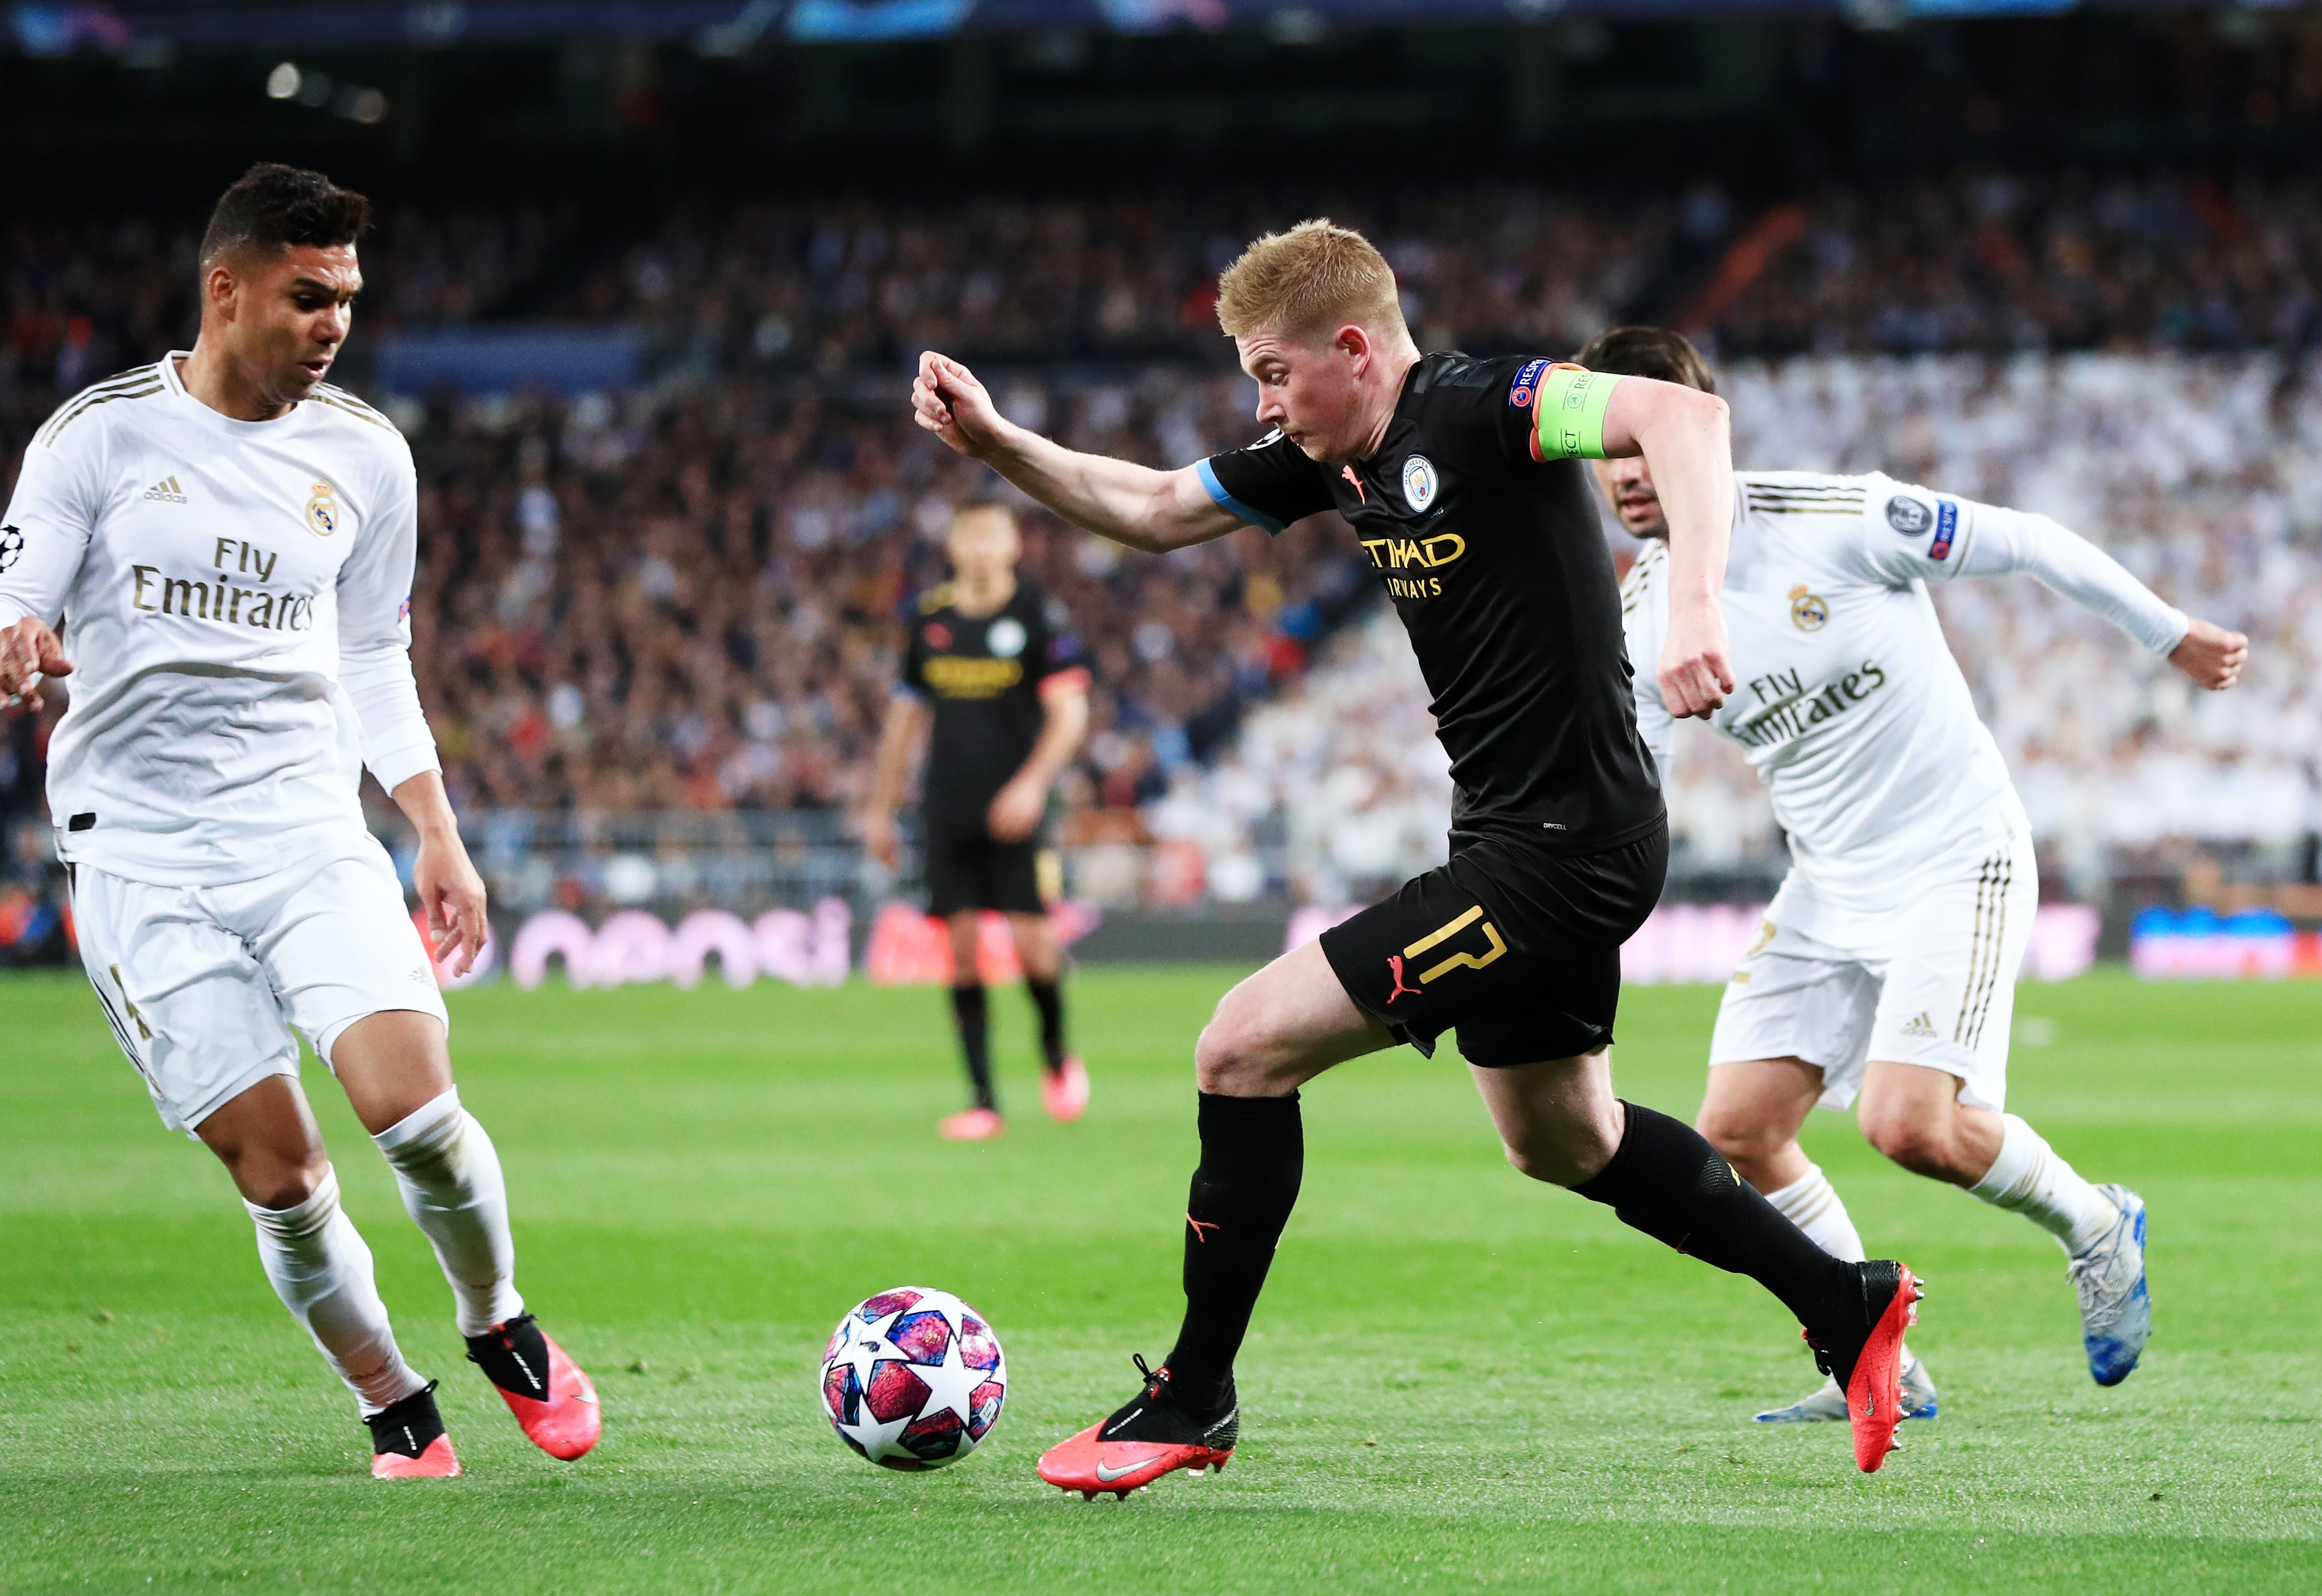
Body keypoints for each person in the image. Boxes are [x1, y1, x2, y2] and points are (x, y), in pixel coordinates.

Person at [910, 219, 1924, 1486]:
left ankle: (1193, 1397)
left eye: (1274, 374)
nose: (1264, 406)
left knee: (1237, 1048)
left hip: (1552, 857)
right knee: (1567, 1142)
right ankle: (1847, 1302)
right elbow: (1157, 509)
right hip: (1541, 841)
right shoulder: (1328, 460)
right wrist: (998, 441)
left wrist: (1700, 602)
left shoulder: (1486, 405)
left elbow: (1685, 421)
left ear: (1351, 347)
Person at [0, 163, 600, 1480]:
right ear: (225, 288)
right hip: (139, 858)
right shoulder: (100, 436)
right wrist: (8, 652)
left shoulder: (366, 454)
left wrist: (433, 826)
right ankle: (393, 1400)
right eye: (309, 298)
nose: (332, 327)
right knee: (286, 1179)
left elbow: (374, 656)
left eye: (347, 302)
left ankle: (499, 1322)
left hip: (305, 835)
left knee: (413, 1109)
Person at [1583, 325, 2247, 1424]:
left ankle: (2095, 1223)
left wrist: (2166, 632)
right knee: (1740, 1124)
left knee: (1908, 1124)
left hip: (1955, 854)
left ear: (1704, 437)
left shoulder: (1834, 516)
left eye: (1645, 447)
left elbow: (2028, 539)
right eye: (1607, 454)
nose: (1624, 476)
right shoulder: (1643, 615)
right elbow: (1622, 780)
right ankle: (1870, 1349)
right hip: (1825, 881)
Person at [863, 502, 1092, 1140]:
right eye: (971, 536)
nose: (983, 548)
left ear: (1014, 544)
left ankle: (1055, 1056)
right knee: (960, 955)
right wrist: (879, 807)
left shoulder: (1037, 615)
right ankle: (983, 1101)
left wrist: (1031, 787)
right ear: (953, 543)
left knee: (1033, 949)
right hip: (947, 807)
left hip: (1016, 812)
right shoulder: (930, 618)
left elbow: (1070, 713)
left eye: (994, 535)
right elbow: (904, 719)